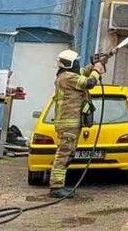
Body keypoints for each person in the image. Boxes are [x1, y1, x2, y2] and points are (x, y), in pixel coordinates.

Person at [48, 49, 105, 198]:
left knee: (69, 153)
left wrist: (93, 65)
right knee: (64, 154)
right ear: (70, 64)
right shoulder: (67, 78)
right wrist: (97, 70)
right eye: (77, 62)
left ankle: (59, 184)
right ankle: (56, 187)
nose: (78, 64)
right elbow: (90, 83)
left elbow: (81, 72)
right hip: (68, 123)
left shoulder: (67, 75)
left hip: (71, 123)